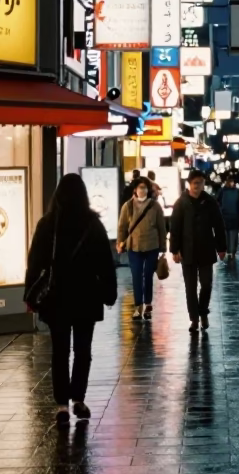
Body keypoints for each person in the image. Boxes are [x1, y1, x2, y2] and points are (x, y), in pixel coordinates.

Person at [24, 174, 116, 426]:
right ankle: (78, 398)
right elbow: (105, 263)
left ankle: (62, 404)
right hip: (87, 296)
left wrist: (29, 294)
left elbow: (35, 262)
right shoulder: (93, 224)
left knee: (60, 351)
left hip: (57, 298)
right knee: (83, 350)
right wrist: (109, 292)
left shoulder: (48, 224)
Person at [170, 168, 227, 332]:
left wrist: (221, 247)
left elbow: (219, 225)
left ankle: (203, 311)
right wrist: (175, 250)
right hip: (187, 251)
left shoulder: (210, 202)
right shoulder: (181, 203)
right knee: (190, 287)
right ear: (189, 184)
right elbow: (175, 227)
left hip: (206, 249)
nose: (198, 186)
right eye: (195, 183)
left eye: (201, 183)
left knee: (207, 284)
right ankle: (194, 319)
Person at [117, 176, 167, 320]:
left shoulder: (155, 206)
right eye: (140, 187)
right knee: (136, 276)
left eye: (145, 187)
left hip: (152, 246)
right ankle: (138, 306)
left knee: (148, 276)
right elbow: (122, 227)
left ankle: (148, 304)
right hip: (134, 245)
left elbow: (161, 227)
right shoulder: (128, 206)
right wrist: (120, 242)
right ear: (135, 190)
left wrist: (163, 246)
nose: (142, 190)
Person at [218, 174, 239, 260]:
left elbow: (217, 202)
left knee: (227, 234)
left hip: (225, 217)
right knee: (233, 235)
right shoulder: (237, 191)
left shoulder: (222, 191)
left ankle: (229, 251)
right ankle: (232, 251)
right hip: (235, 217)